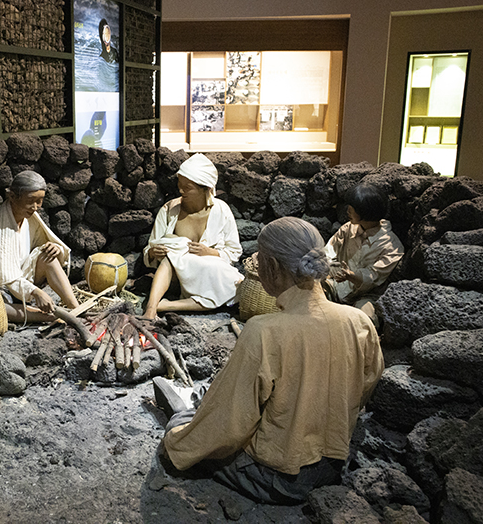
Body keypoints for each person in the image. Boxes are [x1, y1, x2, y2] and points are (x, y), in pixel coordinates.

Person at [156, 217, 384, 505]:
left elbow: (231, 425)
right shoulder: (359, 321)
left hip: (277, 477)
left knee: (183, 423)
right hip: (333, 465)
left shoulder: (264, 331)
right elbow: (366, 384)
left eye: (260, 260)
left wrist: (176, 445)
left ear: (273, 268)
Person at [0, 171, 78, 323]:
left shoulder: (28, 217)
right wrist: (35, 292)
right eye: (31, 200)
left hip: (18, 280)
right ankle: (55, 317)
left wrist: (54, 248)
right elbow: (7, 280)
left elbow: (41, 245)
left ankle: (76, 308)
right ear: (12, 197)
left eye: (40, 201)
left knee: (48, 256)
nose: (36, 207)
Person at [142, 153, 244, 319]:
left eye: (187, 188)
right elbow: (151, 246)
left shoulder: (222, 210)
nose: (181, 190)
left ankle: (167, 305)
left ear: (206, 189)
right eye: (179, 185)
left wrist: (210, 252)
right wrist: (153, 253)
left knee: (237, 287)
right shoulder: (170, 210)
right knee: (172, 256)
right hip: (176, 275)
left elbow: (234, 251)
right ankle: (151, 308)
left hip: (209, 273)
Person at [324, 183, 404, 323]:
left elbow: (375, 275)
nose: (348, 210)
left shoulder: (391, 245)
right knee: (309, 293)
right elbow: (329, 250)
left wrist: (353, 276)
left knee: (364, 319)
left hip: (367, 295)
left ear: (366, 212)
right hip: (337, 285)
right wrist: (331, 265)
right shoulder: (348, 229)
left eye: (352, 208)